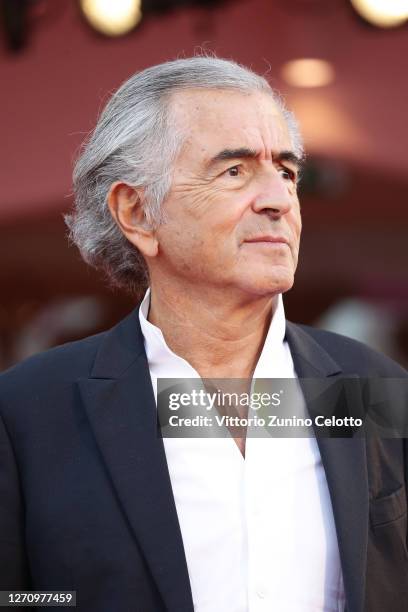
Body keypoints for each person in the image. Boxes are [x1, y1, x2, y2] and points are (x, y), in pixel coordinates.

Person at [0, 56, 407, 612]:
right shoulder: (28, 411)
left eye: (287, 171)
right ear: (137, 211)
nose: (279, 199)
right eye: (234, 171)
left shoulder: (374, 387)